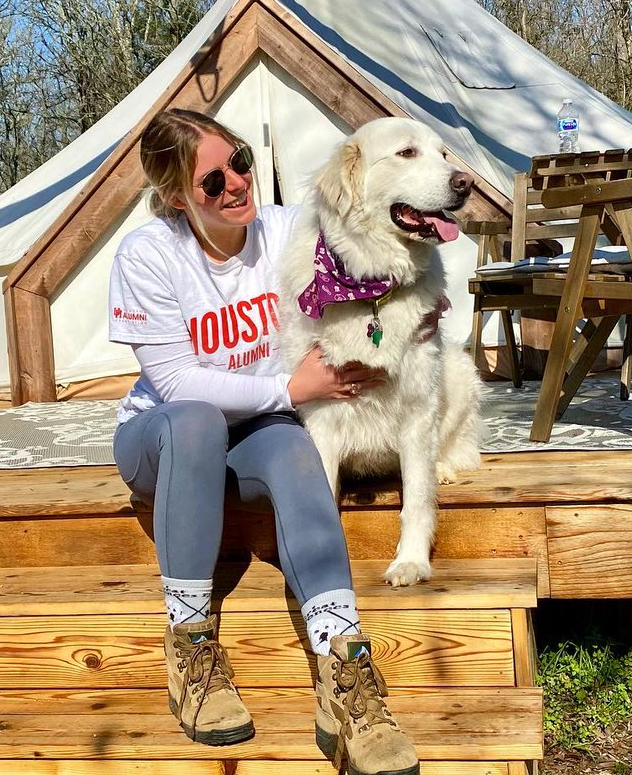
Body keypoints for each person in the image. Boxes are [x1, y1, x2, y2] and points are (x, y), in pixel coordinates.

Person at [108, 107, 419, 775]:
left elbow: (367, 253)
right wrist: (291, 389)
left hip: (253, 432)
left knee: (295, 450)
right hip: (164, 438)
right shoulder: (148, 255)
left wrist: (407, 305)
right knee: (196, 420)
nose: (236, 184)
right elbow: (175, 382)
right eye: (212, 181)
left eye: (240, 162)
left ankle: (345, 674)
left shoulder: (283, 230)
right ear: (176, 198)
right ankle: (191, 646)